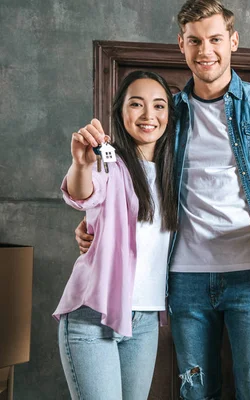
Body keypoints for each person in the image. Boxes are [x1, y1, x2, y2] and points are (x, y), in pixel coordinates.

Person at [75, 1, 250, 398]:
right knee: (196, 394)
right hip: (184, 279)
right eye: (194, 41)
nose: (204, 50)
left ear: (233, 42)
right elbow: (129, 180)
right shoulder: (167, 114)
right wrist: (95, 221)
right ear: (181, 45)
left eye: (214, 39)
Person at [55, 70, 178, 400]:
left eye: (159, 105)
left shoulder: (175, 175)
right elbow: (86, 193)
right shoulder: (109, 164)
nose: (149, 115)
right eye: (136, 104)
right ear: (120, 112)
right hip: (94, 317)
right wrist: (81, 165)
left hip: (146, 321)